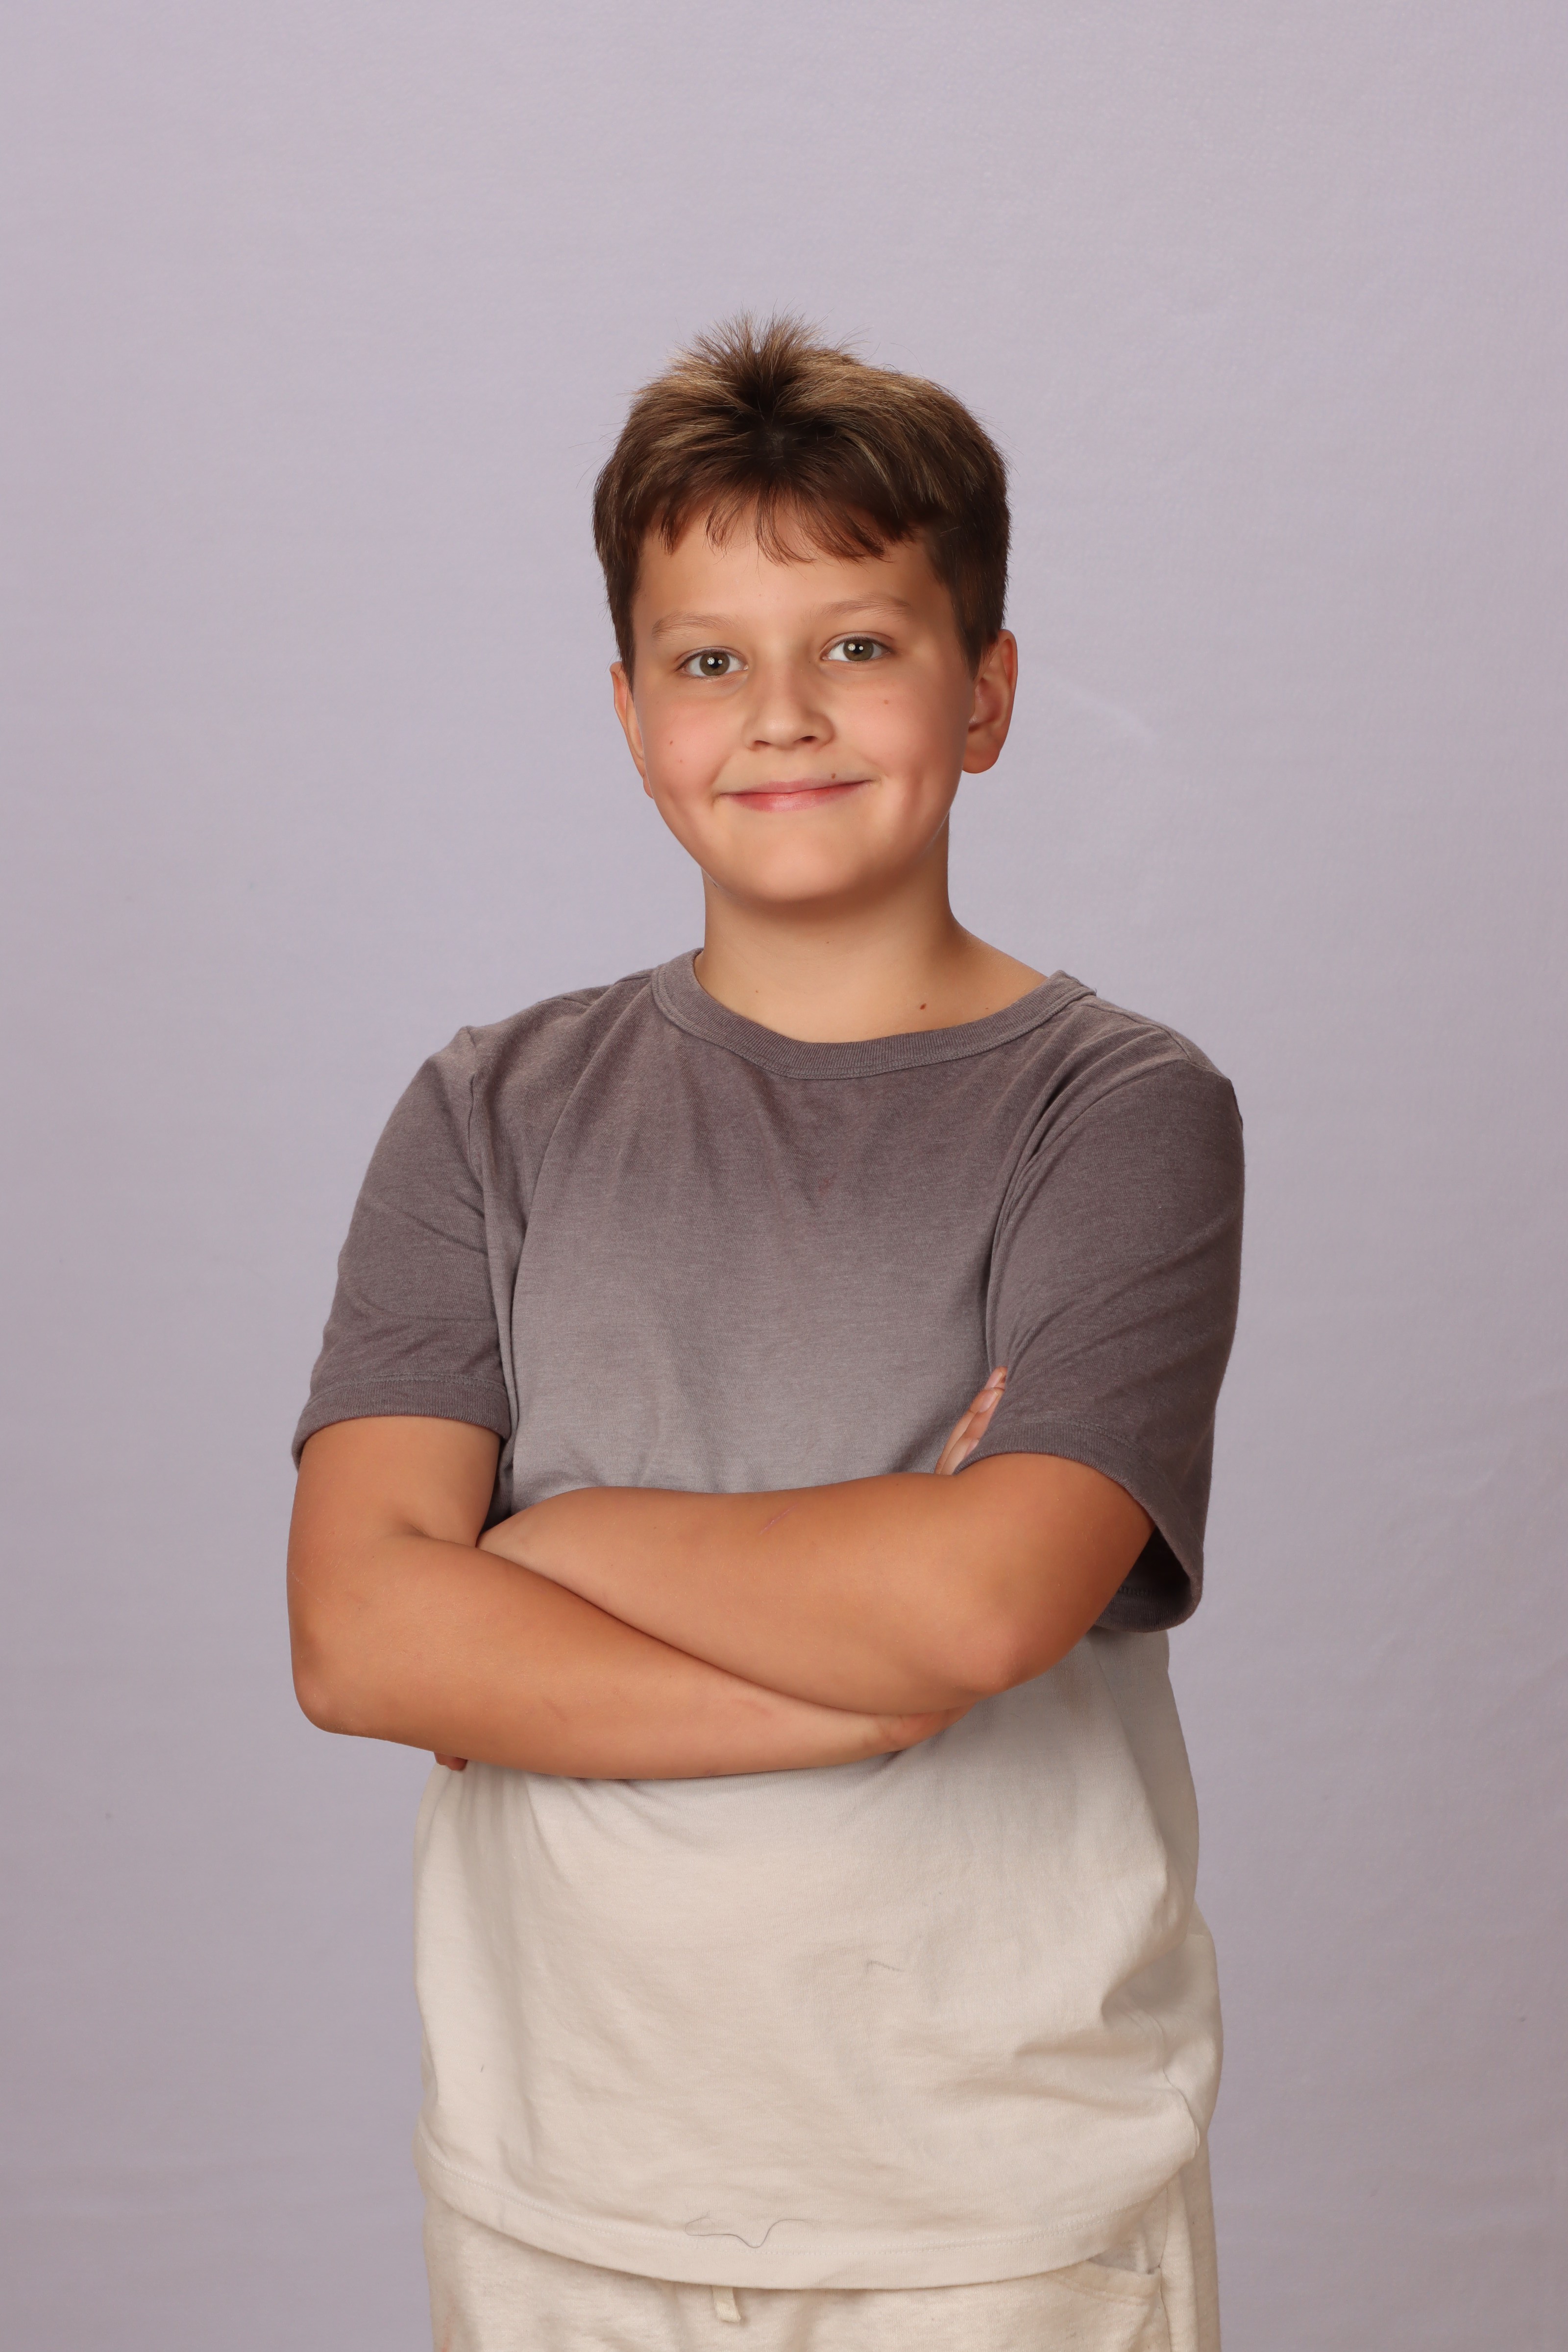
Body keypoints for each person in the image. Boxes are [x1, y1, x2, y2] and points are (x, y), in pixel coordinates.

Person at [287, 316, 1244, 2352]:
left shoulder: (1119, 1114)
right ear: (631, 710)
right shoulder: (487, 1112)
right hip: (564, 2192)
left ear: (984, 694)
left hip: (996, 2212)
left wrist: (548, 1548)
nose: (781, 715)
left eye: (858, 645)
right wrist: (856, 1687)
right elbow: (360, 1635)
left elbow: (982, 1606)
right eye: (709, 659)